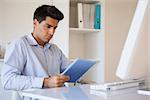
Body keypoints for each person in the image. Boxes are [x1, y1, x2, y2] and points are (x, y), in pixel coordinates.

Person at [1, 5, 71, 92]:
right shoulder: (20, 45)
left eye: (55, 28)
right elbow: (8, 80)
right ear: (35, 23)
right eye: (48, 26)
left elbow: (69, 70)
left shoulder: (55, 49)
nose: (52, 32)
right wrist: (45, 82)